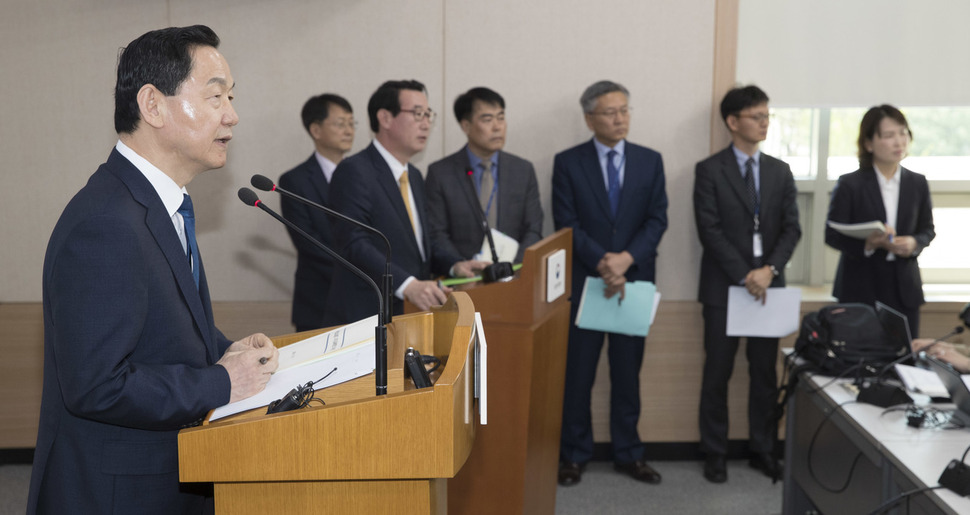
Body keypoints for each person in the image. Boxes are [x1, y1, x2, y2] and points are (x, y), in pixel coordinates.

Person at [27, 25, 279, 514]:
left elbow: (159, 331)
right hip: (119, 495)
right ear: (153, 105)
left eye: (231, 97)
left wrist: (227, 349)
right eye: (215, 97)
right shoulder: (105, 222)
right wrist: (224, 382)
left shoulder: (156, 204)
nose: (232, 114)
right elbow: (97, 385)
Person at [553, 80, 668, 486]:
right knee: (578, 376)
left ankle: (629, 454)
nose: (620, 118)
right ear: (589, 118)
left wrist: (626, 259)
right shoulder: (567, 162)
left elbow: (658, 219)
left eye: (625, 110)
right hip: (588, 283)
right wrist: (603, 261)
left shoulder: (650, 161)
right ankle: (574, 455)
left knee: (627, 375)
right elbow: (567, 222)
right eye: (610, 112)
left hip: (633, 283)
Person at [693, 85, 801, 483]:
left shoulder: (779, 170)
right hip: (725, 288)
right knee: (717, 373)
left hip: (768, 288)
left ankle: (763, 448)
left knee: (765, 375)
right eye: (757, 116)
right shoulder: (709, 170)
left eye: (767, 116)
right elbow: (710, 230)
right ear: (732, 122)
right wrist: (745, 274)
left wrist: (769, 270)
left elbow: (792, 228)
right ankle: (715, 452)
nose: (764, 123)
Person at [323, 80, 487, 325]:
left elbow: (423, 242)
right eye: (418, 113)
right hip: (369, 316)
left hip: (411, 313)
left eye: (428, 114)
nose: (426, 123)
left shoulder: (415, 176)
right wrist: (407, 285)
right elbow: (353, 242)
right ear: (385, 118)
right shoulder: (354, 171)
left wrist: (455, 266)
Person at [825, 105, 935, 338]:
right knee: (859, 360)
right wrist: (869, 244)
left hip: (904, 287)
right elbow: (832, 234)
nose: (899, 141)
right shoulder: (850, 184)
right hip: (860, 286)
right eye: (889, 135)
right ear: (868, 143)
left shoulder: (917, 183)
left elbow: (927, 229)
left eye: (903, 133)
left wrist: (914, 243)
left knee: (902, 363)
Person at [425, 87, 543, 264]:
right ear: (466, 126)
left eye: (501, 118)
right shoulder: (441, 173)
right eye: (487, 119)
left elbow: (533, 228)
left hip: (514, 276)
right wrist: (460, 266)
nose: (497, 127)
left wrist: (514, 267)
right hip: (464, 278)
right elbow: (436, 233)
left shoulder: (522, 170)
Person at [279, 94, 356, 331]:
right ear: (316, 129)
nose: (349, 130)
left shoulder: (361, 176)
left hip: (362, 300)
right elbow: (309, 244)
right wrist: (361, 270)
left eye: (352, 123)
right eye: (340, 123)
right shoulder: (295, 181)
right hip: (318, 302)